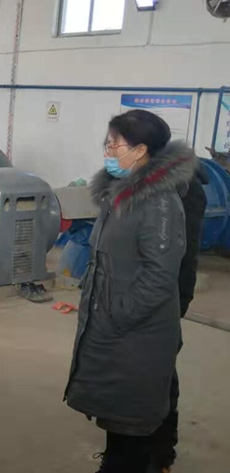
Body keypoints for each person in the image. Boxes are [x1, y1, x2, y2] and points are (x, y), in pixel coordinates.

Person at [64, 110, 197, 473]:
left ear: (140, 150)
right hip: (115, 324)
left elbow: (160, 274)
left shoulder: (158, 202)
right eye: (106, 144)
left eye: (114, 145)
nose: (107, 151)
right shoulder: (120, 192)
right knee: (118, 412)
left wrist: (117, 314)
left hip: (136, 330)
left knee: (133, 417)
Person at [147, 164, 208, 473]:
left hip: (163, 298)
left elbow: (185, 252)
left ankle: (160, 453)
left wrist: (178, 301)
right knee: (133, 373)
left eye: (116, 144)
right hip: (134, 296)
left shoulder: (184, 188)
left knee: (159, 375)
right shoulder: (134, 181)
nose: (111, 152)